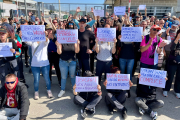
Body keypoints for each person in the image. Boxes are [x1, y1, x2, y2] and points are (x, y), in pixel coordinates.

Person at [26, 31, 53, 100]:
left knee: (47, 79)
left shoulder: (44, 40)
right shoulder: (32, 41)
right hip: (35, 64)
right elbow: (26, 40)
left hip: (45, 64)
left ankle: (49, 90)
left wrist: (45, 35)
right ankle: (36, 92)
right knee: (36, 80)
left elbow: (47, 41)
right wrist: (22, 35)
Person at [56, 21, 80, 97]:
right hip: (63, 61)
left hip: (72, 61)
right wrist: (58, 45)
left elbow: (77, 51)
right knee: (63, 77)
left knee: (73, 76)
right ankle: (62, 90)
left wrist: (77, 44)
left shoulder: (74, 41)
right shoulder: (62, 40)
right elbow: (59, 53)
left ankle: (74, 89)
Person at [163, 30, 180, 99]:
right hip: (173, 61)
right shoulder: (174, 41)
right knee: (170, 76)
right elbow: (172, 48)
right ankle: (166, 89)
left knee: (179, 77)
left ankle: (177, 91)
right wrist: (177, 39)